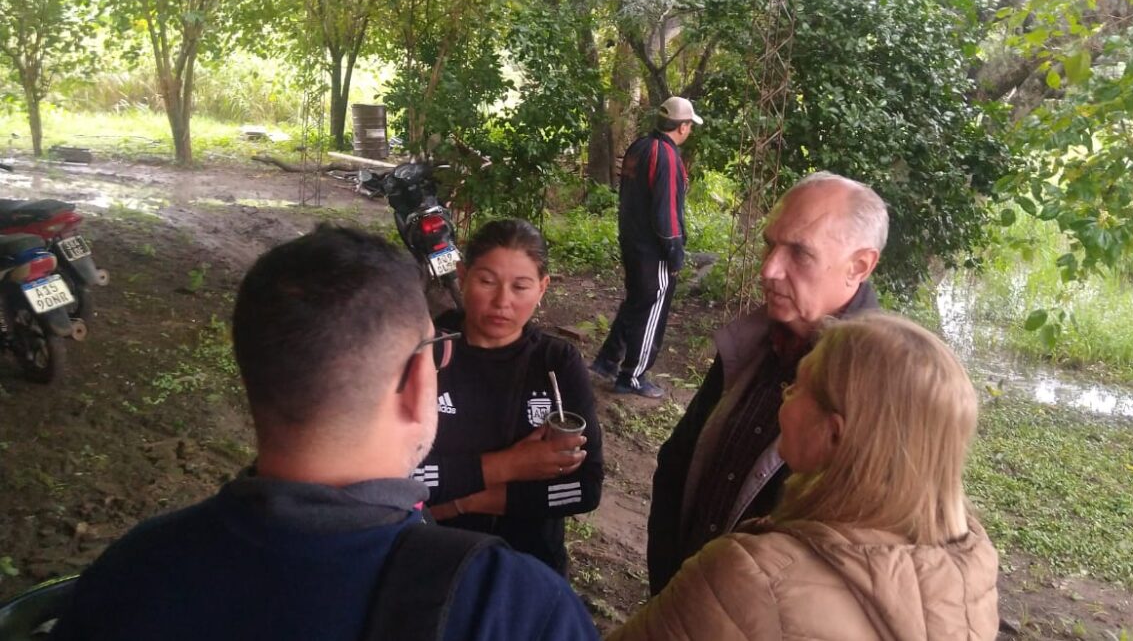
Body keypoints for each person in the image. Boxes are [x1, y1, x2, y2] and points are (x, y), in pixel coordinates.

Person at [50, 226, 599, 641]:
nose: (502, 300)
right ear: (416, 384)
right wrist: (501, 473)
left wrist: (457, 494)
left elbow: (584, 486)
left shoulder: (129, 572)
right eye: (435, 349)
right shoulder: (511, 607)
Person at [609, 313, 1000, 640]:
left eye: (797, 386)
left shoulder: (750, 577)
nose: (784, 394)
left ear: (833, 434)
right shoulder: (972, 573)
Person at [646, 171, 887, 593]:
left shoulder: (882, 385)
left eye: (799, 252)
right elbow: (678, 464)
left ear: (859, 266)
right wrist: (669, 588)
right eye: (770, 244)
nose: (769, 268)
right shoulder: (754, 340)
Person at [415, 219, 603, 576]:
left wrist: (464, 499)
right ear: (463, 274)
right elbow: (401, 477)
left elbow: (584, 489)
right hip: (431, 557)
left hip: (529, 564)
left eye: (521, 286)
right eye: (487, 281)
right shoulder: (426, 354)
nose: (503, 301)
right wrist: (512, 466)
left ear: (542, 288)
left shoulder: (556, 364)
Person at [591, 96, 703, 399]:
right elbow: (665, 211)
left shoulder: (640, 147)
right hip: (653, 249)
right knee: (652, 305)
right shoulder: (666, 156)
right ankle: (633, 375)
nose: (689, 130)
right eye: (689, 125)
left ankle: (607, 360)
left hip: (632, 240)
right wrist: (674, 251)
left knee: (636, 302)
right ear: (681, 127)